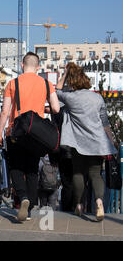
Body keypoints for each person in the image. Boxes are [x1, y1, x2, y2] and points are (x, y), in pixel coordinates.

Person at [0, 52, 60, 222]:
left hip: (16, 132)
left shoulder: (12, 83)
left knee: (16, 167)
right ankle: (30, 207)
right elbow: (56, 108)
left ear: (22, 65)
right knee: (32, 169)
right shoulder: (47, 84)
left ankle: (23, 197)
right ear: (38, 67)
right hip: (36, 134)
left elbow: (5, 111)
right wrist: (43, 109)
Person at [56, 62, 117, 221]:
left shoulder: (70, 97)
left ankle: (78, 205)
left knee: (78, 174)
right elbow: (105, 124)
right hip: (98, 143)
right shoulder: (97, 98)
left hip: (78, 144)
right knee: (96, 174)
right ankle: (99, 201)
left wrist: (65, 73)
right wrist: (110, 143)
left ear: (72, 81)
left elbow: (56, 89)